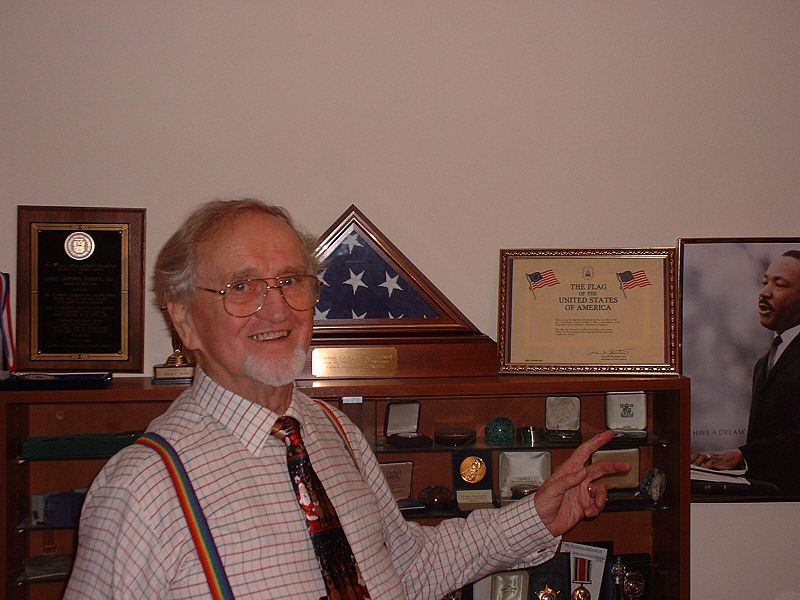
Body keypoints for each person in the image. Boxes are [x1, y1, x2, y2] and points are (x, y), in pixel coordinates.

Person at [65, 198, 629, 599]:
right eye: (240, 287)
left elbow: (410, 570)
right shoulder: (141, 488)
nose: (276, 307)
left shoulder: (333, 432)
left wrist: (538, 515)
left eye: (291, 280)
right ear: (184, 320)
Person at [692, 250, 800, 494]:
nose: (764, 293)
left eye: (780, 285)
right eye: (764, 283)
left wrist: (744, 456)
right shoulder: (763, 363)